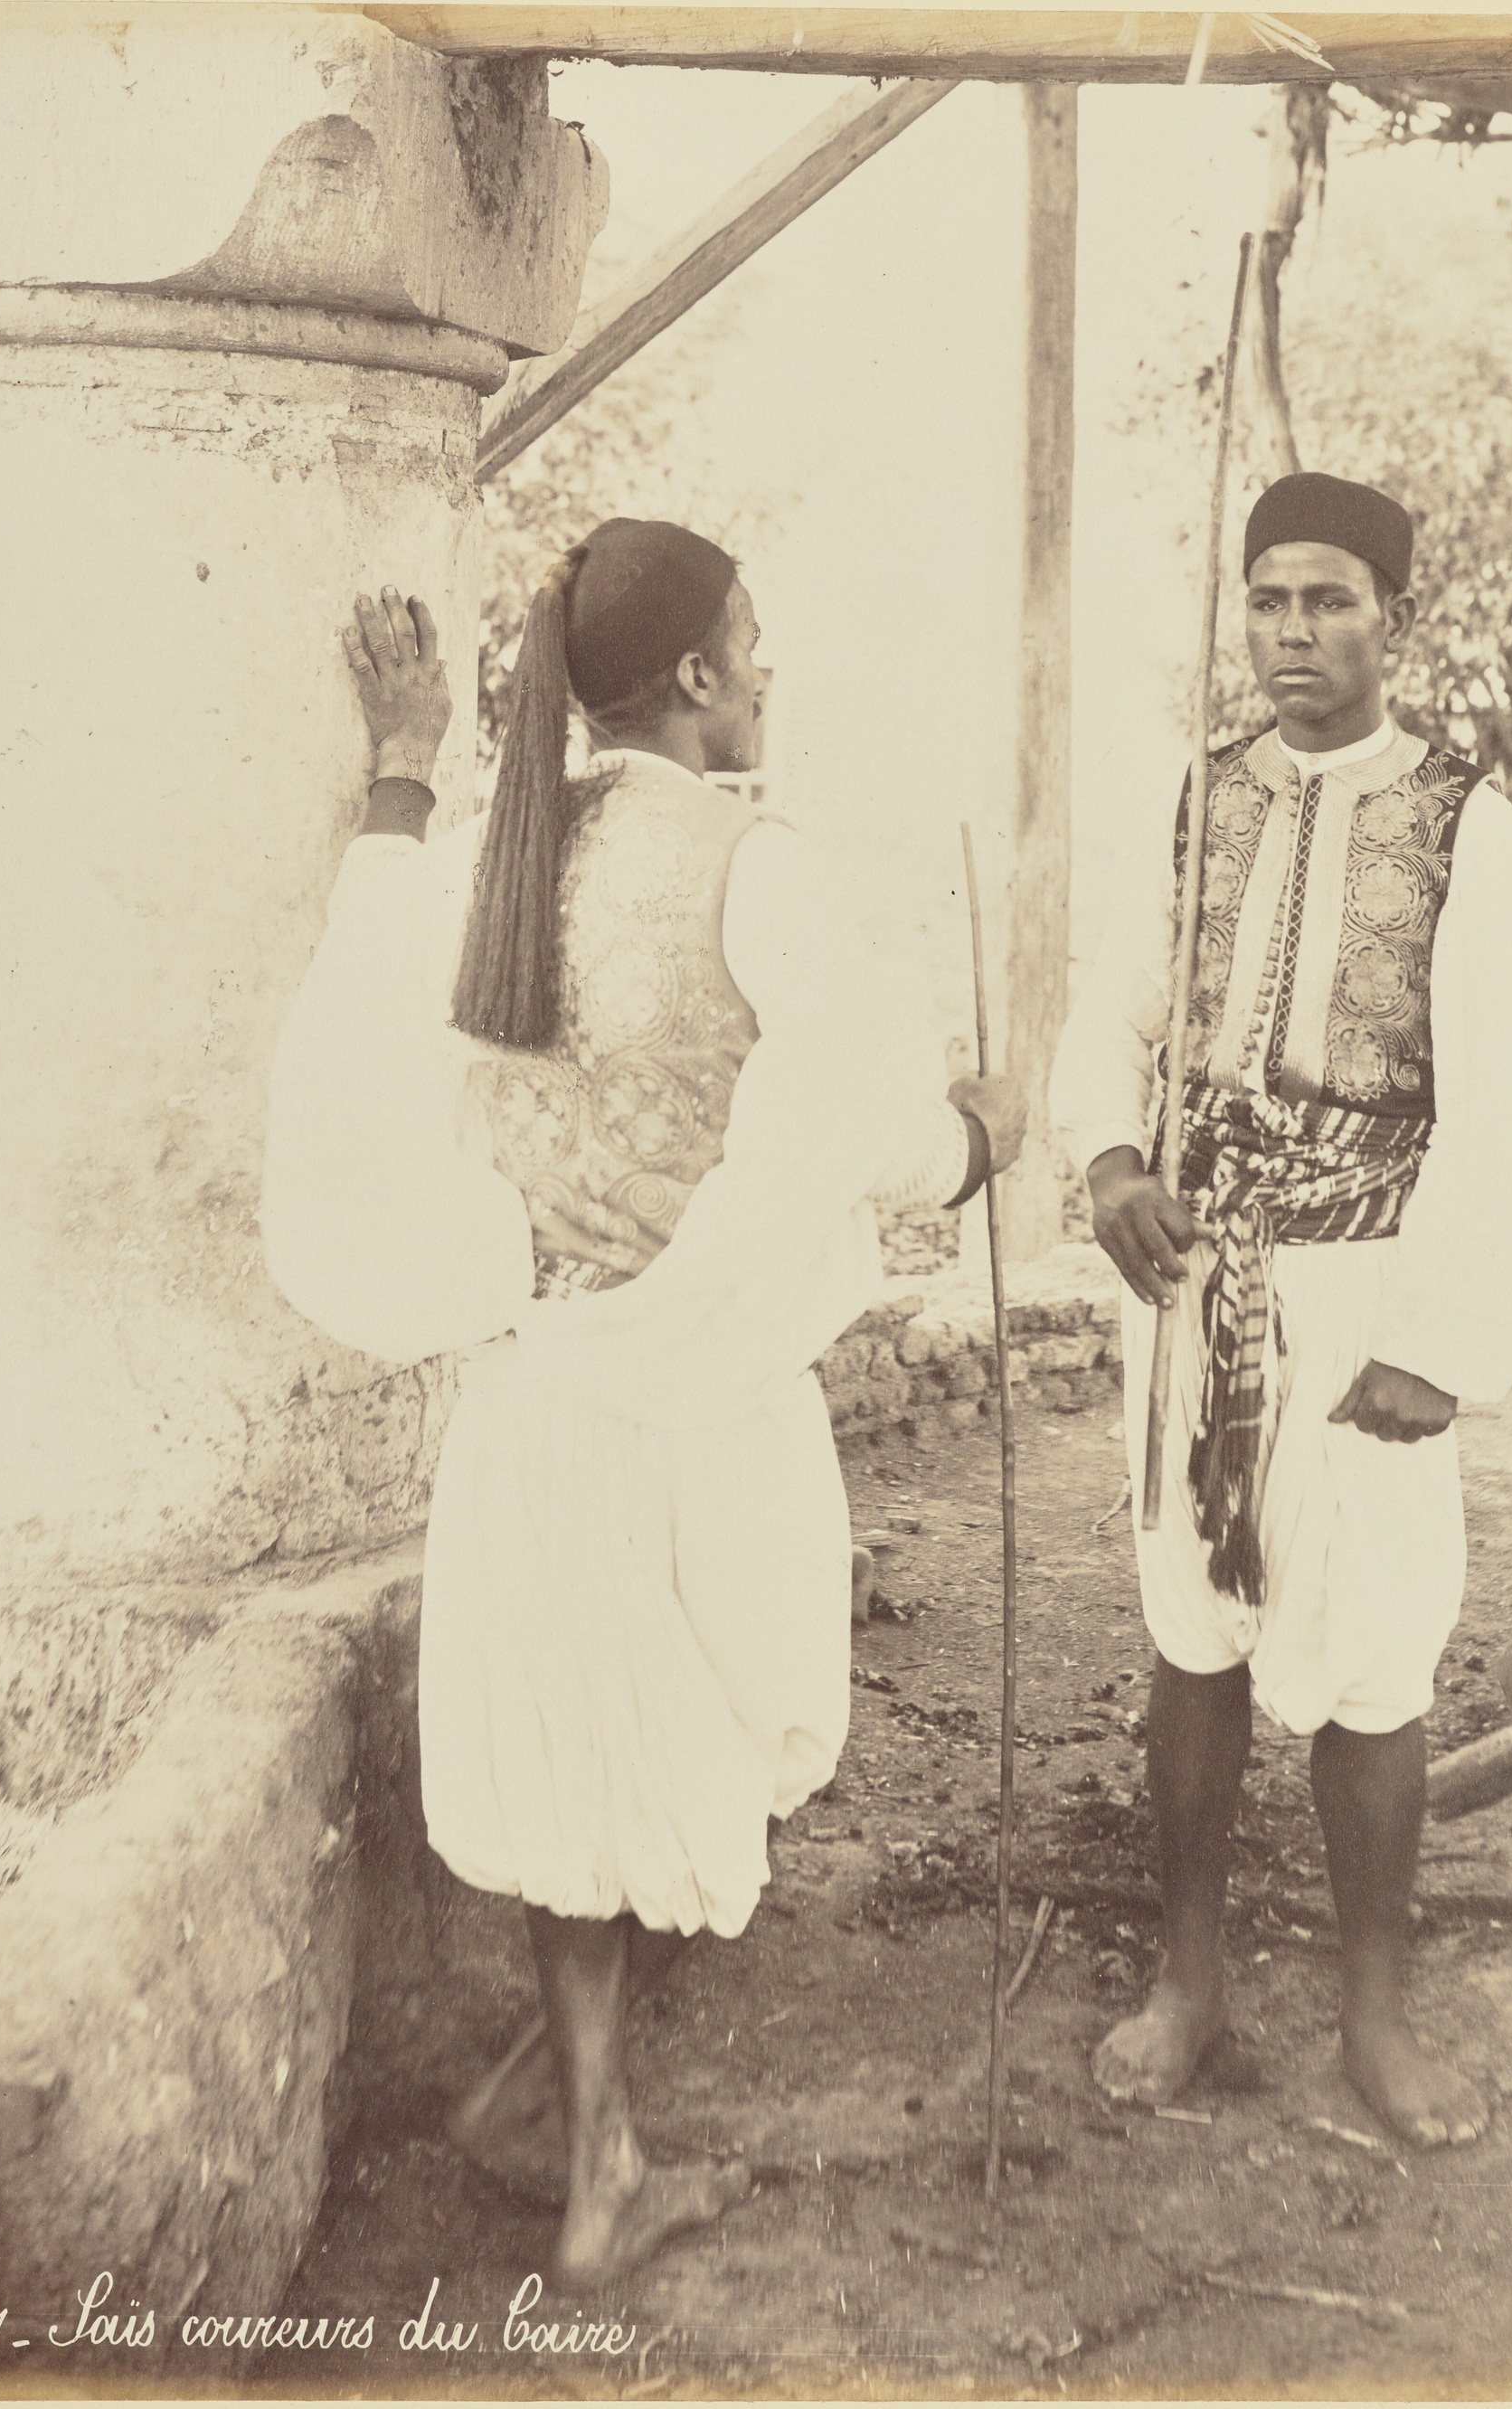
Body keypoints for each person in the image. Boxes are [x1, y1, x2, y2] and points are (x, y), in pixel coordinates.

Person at [263, 521, 1025, 2282]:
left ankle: (566, 2115)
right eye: (750, 639)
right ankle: (596, 2161)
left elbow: (366, 989)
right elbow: (871, 1132)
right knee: (728, 1750)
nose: (765, 668)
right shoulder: (756, 871)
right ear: (693, 674)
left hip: (540, 1398)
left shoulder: (496, 852)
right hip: (695, 1407)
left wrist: (399, 770)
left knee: (585, 1773)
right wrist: (985, 1137)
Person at [1050, 472, 1512, 2149]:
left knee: (1374, 1655)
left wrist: (1439, 1336)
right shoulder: (1199, 799)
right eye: (1269, 599)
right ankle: (1188, 1986)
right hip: (1199, 1279)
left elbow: (1510, 1101)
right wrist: (1111, 1162)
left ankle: (1375, 2019)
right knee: (1192, 1630)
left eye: (1330, 600)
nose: (1293, 632)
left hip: (1369, 1289)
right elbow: (1113, 1012)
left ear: (1392, 619)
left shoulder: (1470, 828)